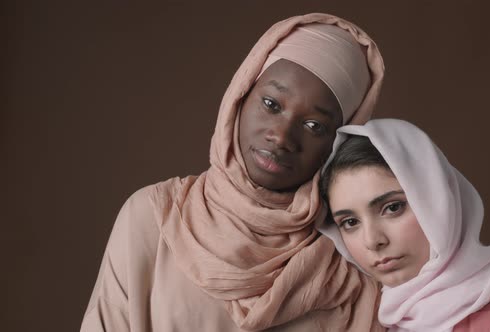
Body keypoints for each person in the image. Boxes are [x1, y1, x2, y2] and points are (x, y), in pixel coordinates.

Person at [81, 13, 386, 331]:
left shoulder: (350, 260)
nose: (281, 137)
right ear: (239, 97)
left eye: (314, 126)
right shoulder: (153, 217)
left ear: (338, 142)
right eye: (271, 104)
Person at [318, 119, 490, 331]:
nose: (372, 240)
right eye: (350, 222)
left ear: (438, 200)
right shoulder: (353, 320)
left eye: (393, 207)